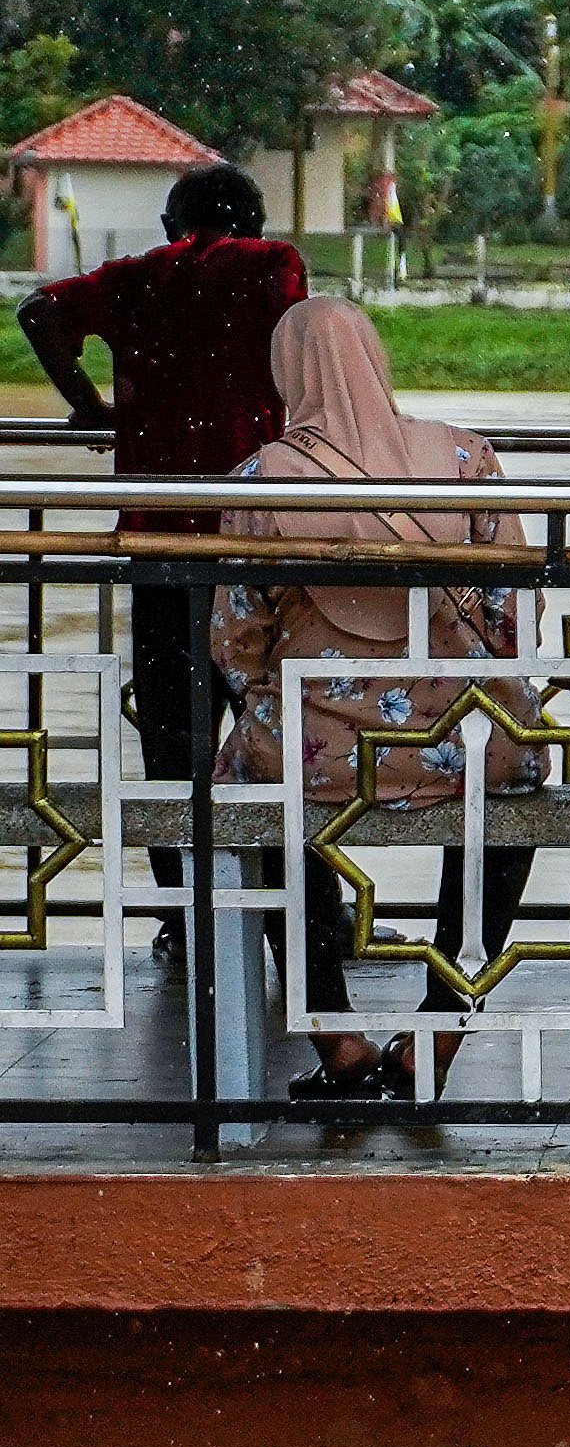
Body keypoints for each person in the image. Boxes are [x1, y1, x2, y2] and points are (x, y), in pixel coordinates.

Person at [210, 299, 541, 1107]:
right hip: (465, 738)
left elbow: (237, 638)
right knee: (520, 779)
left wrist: (280, 690)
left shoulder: (261, 477)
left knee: (256, 789)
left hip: (315, 743)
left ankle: (338, 1035)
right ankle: (443, 1024)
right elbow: (513, 613)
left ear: (288, 371)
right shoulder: (465, 456)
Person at [17, 160, 306, 947]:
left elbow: (38, 312)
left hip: (158, 535)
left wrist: (90, 406)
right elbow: (298, 358)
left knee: (174, 731)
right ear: (253, 221)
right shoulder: (270, 266)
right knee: (277, 724)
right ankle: (291, 916)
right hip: (254, 536)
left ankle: (186, 913)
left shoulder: (139, 278)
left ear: (171, 226)